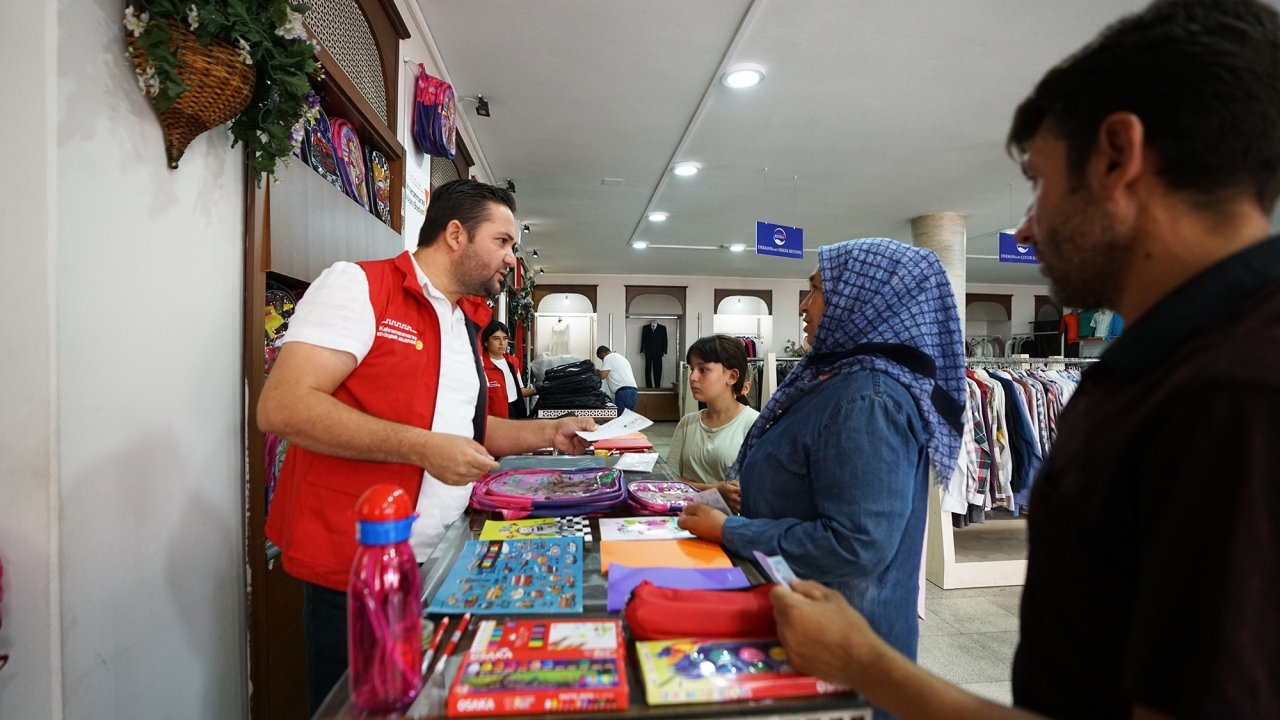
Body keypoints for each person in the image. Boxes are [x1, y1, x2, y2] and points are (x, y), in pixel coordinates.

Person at [769, 1, 1280, 718]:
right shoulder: (1175, 367)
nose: (1025, 227)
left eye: (1039, 182)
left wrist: (864, 664)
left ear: (1116, 155)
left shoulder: (1233, 397)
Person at [257, 178, 595, 712]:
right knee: (360, 704)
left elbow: (465, 430)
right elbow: (285, 407)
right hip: (359, 568)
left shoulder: (462, 321)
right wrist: (424, 448)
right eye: (503, 242)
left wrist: (550, 433)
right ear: (455, 234)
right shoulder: (359, 286)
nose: (513, 258)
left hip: (440, 558)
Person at [679, 238, 967, 720]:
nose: (804, 305)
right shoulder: (837, 380)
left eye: (816, 291)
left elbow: (856, 544)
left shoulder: (870, 399)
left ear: (864, 300)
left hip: (850, 652)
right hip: (814, 623)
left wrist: (730, 530)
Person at [665, 335, 759, 512]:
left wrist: (692, 487)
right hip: (685, 520)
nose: (692, 377)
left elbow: (754, 491)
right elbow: (669, 481)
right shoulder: (688, 423)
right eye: (692, 369)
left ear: (732, 376)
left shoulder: (754, 424)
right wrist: (715, 490)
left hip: (730, 529)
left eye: (703, 370)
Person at [482, 320, 536, 419]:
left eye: (505, 338)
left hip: (515, 410)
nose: (502, 343)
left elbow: (520, 390)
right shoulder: (481, 365)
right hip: (494, 418)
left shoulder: (512, 361)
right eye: (496, 339)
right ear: (486, 342)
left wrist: (539, 390)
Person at [596, 345, 639, 411]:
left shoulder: (608, 357)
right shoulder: (619, 357)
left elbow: (602, 376)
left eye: (601, 358)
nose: (602, 360)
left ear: (603, 354)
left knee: (622, 418)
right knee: (627, 417)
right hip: (632, 391)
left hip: (624, 392)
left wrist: (595, 371)